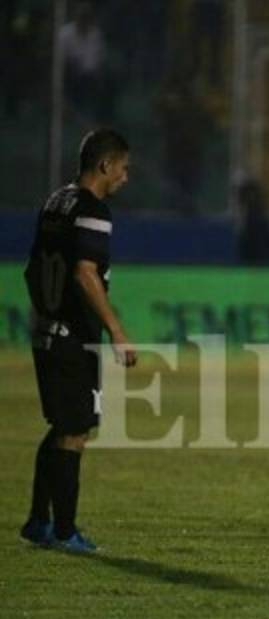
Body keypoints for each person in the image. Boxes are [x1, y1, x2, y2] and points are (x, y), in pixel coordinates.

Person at [20, 128, 135, 552]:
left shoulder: (56, 201)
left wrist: (43, 314)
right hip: (72, 335)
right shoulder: (93, 210)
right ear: (105, 165)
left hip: (47, 328)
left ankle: (38, 520)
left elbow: (33, 267)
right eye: (123, 168)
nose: (125, 177)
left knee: (63, 426)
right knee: (75, 431)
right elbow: (85, 273)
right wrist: (117, 331)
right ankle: (65, 532)